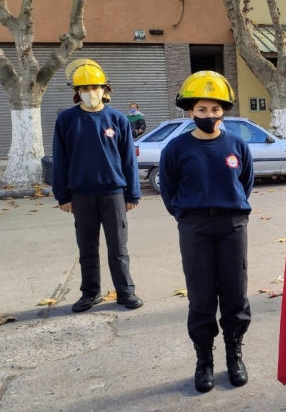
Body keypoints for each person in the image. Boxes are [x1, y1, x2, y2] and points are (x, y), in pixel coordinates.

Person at [158, 71, 254, 393]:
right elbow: (169, 190)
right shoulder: (176, 148)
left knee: (235, 293)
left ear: (223, 110)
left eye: (215, 110)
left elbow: (246, 184)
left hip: (232, 226)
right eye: (202, 110)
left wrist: (230, 211)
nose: (209, 117)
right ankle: (204, 360)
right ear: (190, 111)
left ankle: (234, 354)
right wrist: (187, 217)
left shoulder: (237, 144)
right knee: (200, 297)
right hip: (195, 227)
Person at [52, 59, 143, 313]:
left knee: (118, 247)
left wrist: (132, 193)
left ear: (106, 89)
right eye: (84, 88)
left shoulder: (118, 120)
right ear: (76, 92)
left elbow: (128, 160)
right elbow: (61, 159)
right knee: (87, 248)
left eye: (95, 87)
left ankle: (125, 292)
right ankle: (90, 293)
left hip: (113, 193)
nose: (90, 92)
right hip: (81, 194)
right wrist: (62, 195)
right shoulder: (67, 120)